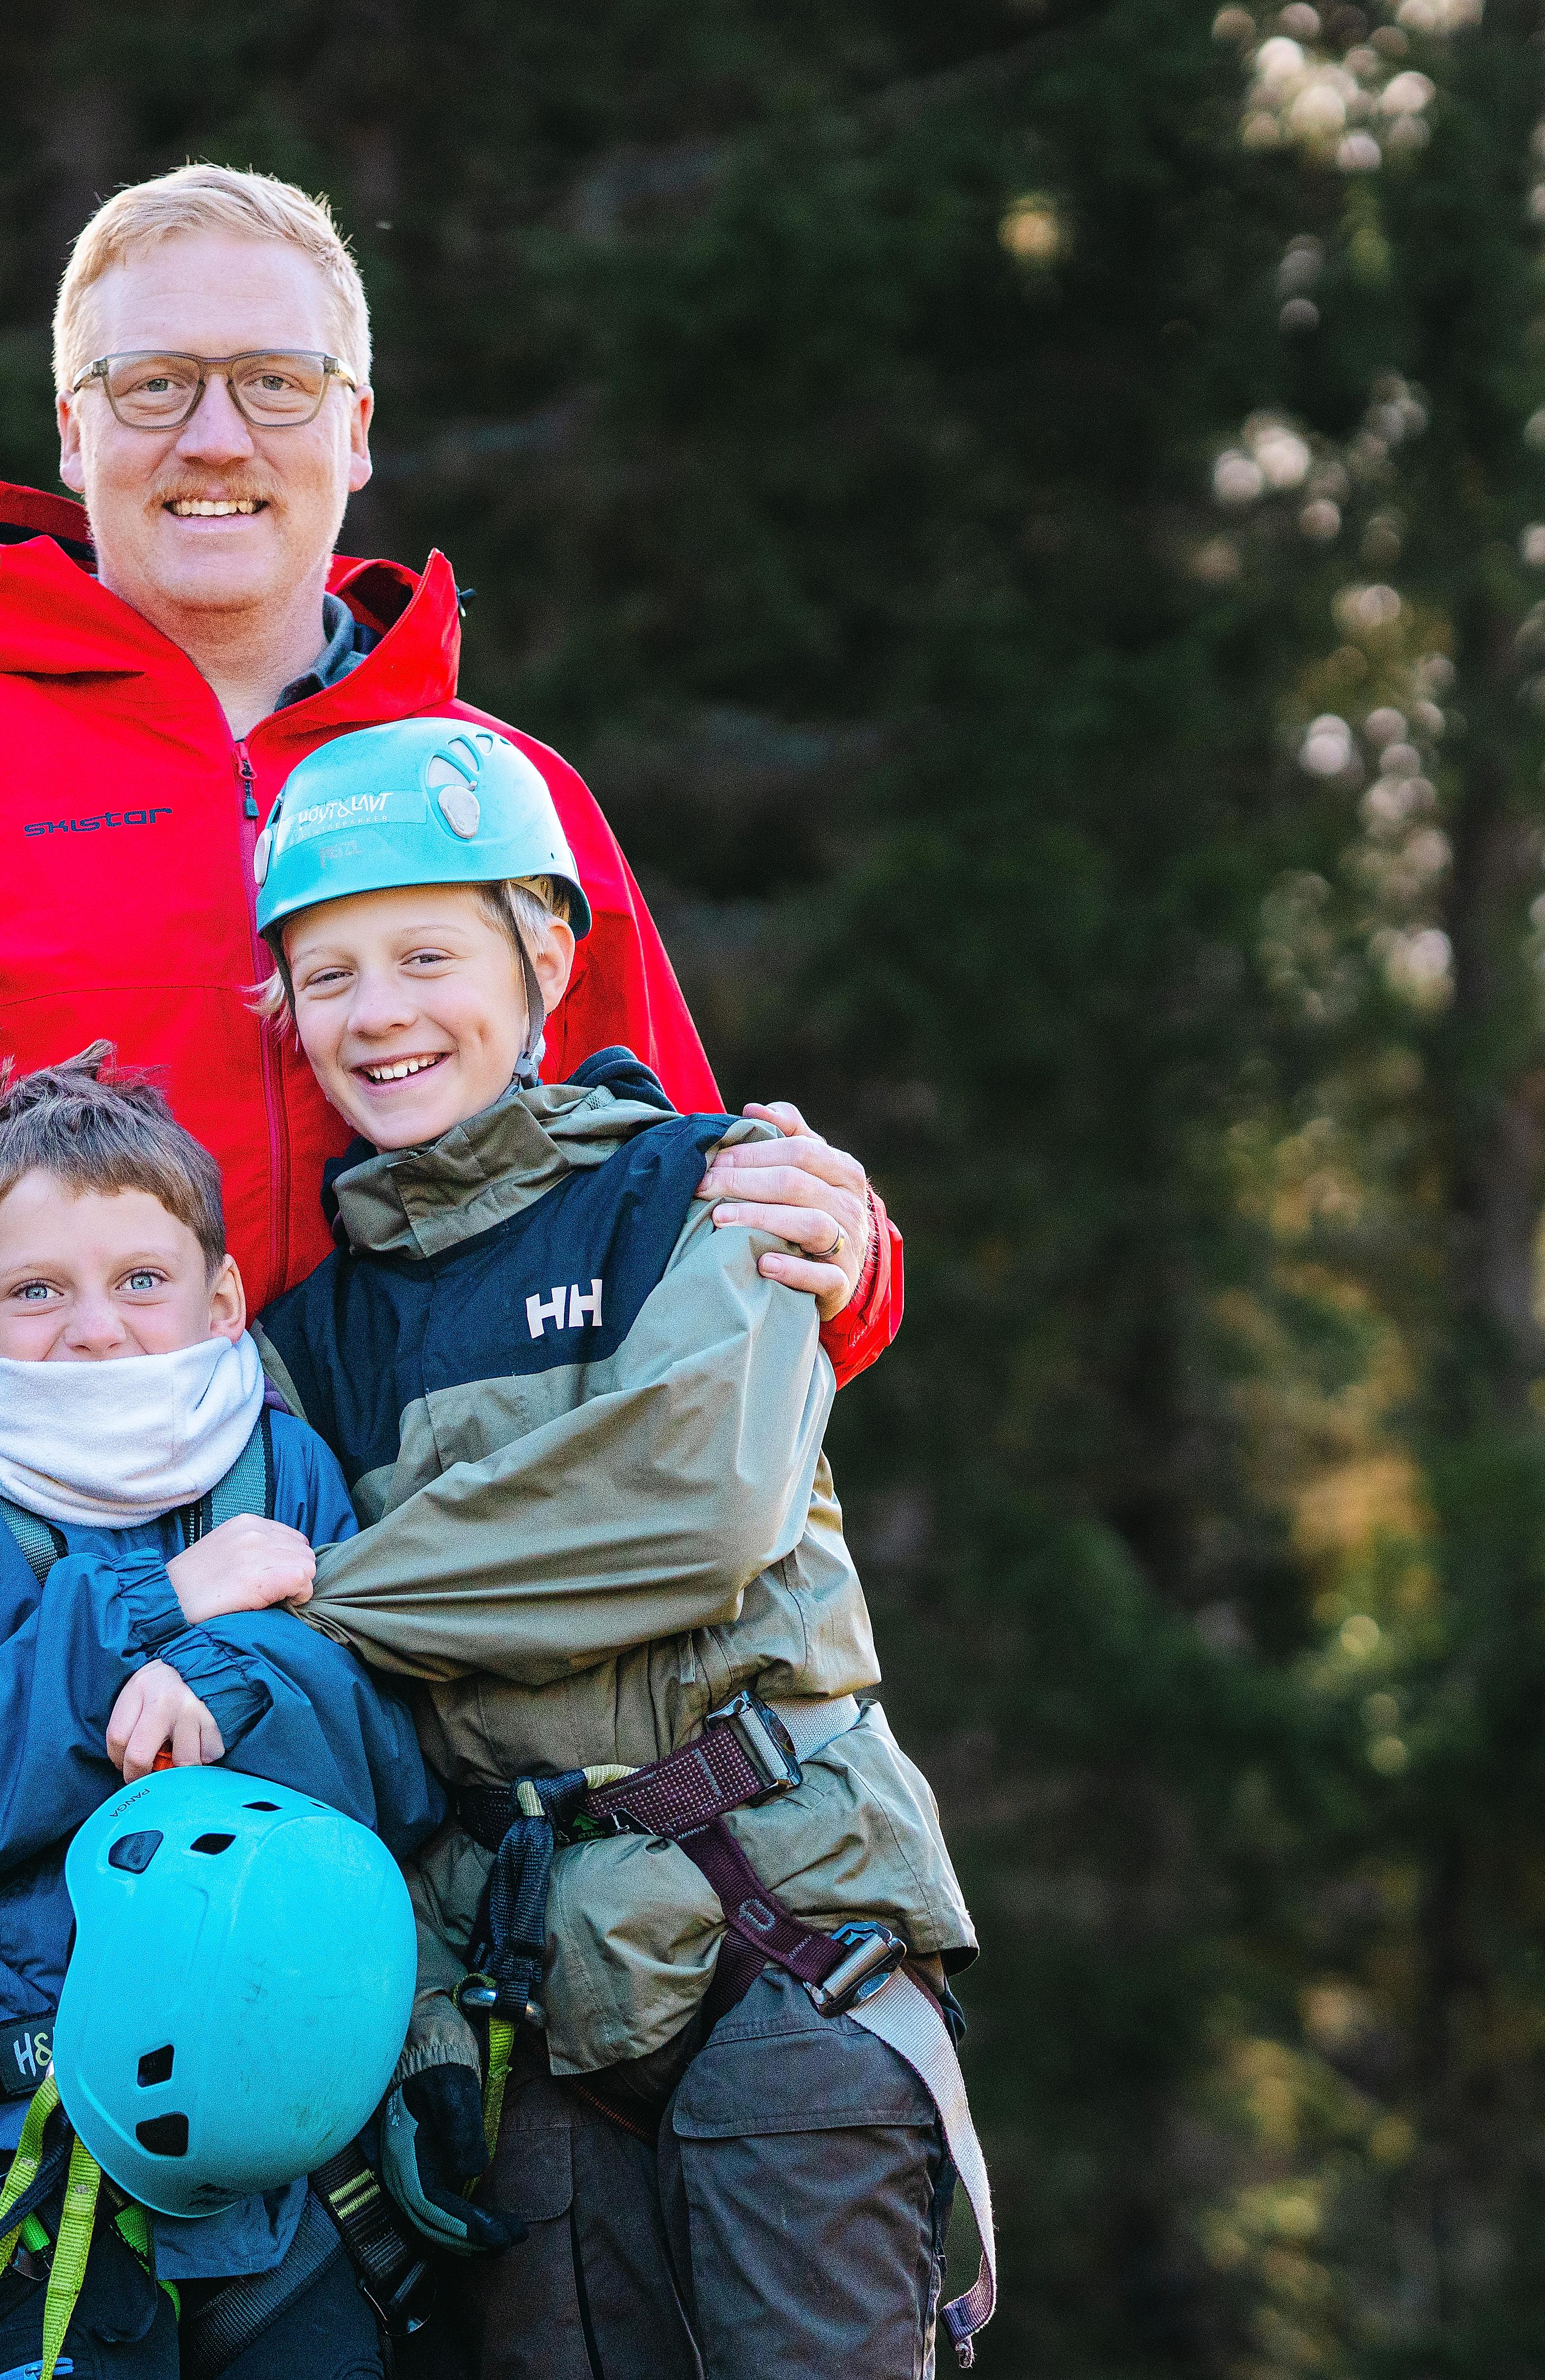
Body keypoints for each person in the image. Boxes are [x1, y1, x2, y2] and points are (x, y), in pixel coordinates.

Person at [0, 162, 901, 1356]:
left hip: (451, 1518)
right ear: (74, 431)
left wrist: (844, 1257)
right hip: (25, 1535)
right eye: (154, 384)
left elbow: (676, 1215)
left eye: (275, 384)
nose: (215, 440)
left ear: (356, 429)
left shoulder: (496, 796)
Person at [242, 721, 986, 2380]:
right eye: (330, 971)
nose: (380, 1013)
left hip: (783, 1930)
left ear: (548, 957)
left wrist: (346, 1585)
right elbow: (335, 1716)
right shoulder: (303, 1343)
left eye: (428, 954)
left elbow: (690, 1507)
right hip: (529, 2003)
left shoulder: (716, 1188)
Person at [0, 1058, 443, 2379]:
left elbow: (395, 1765)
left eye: (141, 1281)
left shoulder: (280, 1457)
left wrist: (234, 1676)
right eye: (35, 1290)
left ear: (222, 1299)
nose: (95, 1329)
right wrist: (151, 1603)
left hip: (295, 2147)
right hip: (35, 2145)